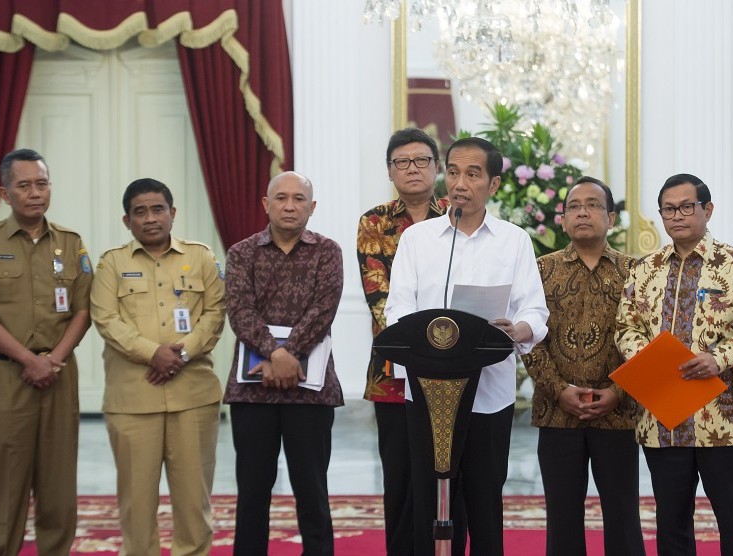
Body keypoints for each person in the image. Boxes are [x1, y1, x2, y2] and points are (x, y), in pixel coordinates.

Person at [385, 137, 549, 555]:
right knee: (432, 503)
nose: (460, 182)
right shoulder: (418, 240)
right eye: (453, 171)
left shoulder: (514, 241)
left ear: (493, 184)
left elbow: (535, 310)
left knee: (483, 502)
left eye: (473, 174)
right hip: (427, 393)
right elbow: (397, 310)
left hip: (489, 395)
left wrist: (518, 330)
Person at [615, 173, 733, 556]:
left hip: (725, 418)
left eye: (687, 206)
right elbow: (625, 326)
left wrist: (717, 358)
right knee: (671, 523)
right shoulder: (645, 269)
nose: (677, 216)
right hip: (663, 418)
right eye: (669, 209)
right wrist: (646, 358)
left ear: (707, 209)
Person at [0, 148, 93, 555]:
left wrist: (52, 359)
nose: (35, 193)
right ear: (4, 193)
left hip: (59, 373)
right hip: (4, 376)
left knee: (58, 487)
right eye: (25, 185)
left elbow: (83, 311)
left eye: (42, 183)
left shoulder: (71, 244)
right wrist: (29, 360)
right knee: (7, 485)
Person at [89, 178, 225, 555]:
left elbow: (216, 313)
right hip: (133, 399)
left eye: (157, 209)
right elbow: (106, 319)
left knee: (194, 504)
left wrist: (181, 353)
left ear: (172, 213)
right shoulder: (111, 263)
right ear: (126, 220)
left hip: (193, 398)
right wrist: (154, 353)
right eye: (140, 212)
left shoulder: (201, 257)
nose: (150, 218)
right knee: (136, 504)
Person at [522, 177, 645, 556]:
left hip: (619, 412)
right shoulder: (539, 271)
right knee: (562, 516)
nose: (582, 212)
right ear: (562, 219)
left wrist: (619, 392)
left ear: (611, 217)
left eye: (592, 205)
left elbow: (651, 342)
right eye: (574, 206)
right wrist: (559, 389)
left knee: (624, 514)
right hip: (558, 413)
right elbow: (528, 339)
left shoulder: (637, 272)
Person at [224, 171, 344, 555]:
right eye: (281, 198)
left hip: (310, 392)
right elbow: (240, 311)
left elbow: (324, 309)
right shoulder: (241, 253)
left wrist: (288, 354)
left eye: (298, 199)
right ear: (266, 204)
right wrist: (277, 355)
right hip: (251, 390)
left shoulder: (328, 251)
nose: (289, 206)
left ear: (312, 206)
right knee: (252, 492)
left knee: (312, 491)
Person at [356, 127, 452, 555]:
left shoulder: (459, 211)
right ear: (390, 171)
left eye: (421, 161)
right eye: (402, 162)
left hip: (455, 363)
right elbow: (379, 295)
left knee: (447, 472)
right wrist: (418, 344)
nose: (412, 169)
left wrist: (447, 344)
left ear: (437, 168)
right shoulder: (374, 221)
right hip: (393, 370)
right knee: (399, 474)